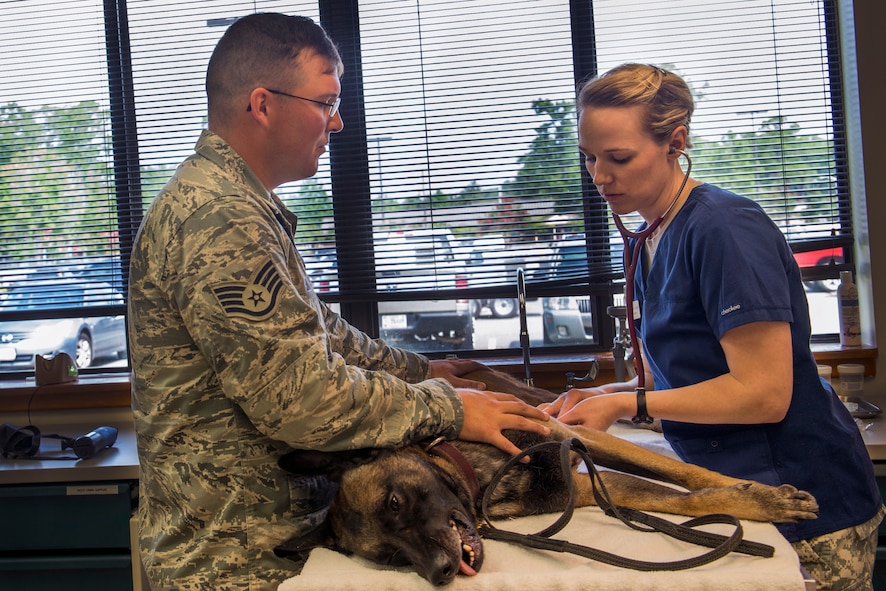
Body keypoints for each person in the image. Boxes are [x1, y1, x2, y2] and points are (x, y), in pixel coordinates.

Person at [127, 13, 550, 591]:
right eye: (325, 102)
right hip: (236, 563)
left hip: (267, 544)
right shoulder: (221, 218)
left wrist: (424, 369)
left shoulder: (239, 206)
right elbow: (300, 398)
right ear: (263, 104)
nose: (338, 120)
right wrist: (448, 409)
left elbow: (322, 334)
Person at [539, 63, 883, 590]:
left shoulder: (724, 228)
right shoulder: (654, 235)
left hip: (804, 499)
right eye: (589, 157)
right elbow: (680, 376)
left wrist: (626, 405)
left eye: (619, 158)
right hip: (739, 489)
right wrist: (598, 395)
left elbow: (764, 393)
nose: (599, 176)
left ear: (676, 141)